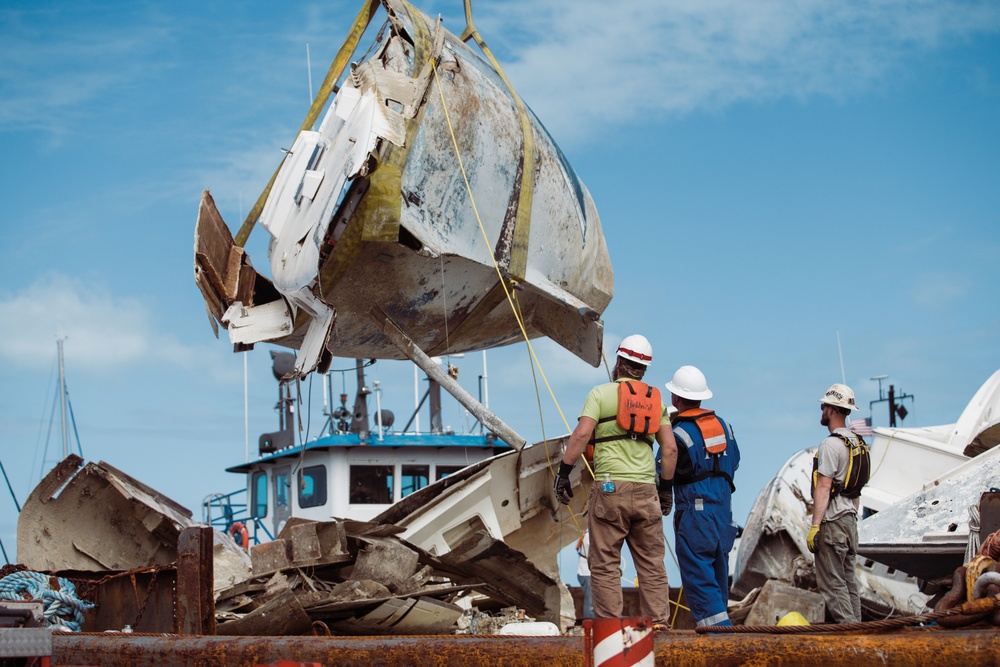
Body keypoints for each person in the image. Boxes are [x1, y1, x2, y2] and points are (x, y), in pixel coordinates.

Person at [553, 334, 678, 628]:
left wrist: (563, 472)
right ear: (644, 370)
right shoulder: (656, 402)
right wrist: (666, 490)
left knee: (606, 564)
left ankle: (610, 629)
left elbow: (581, 436)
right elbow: (670, 449)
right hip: (647, 491)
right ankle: (658, 626)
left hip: (610, 490)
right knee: (651, 565)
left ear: (619, 362)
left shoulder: (600, 394)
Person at [658, 365, 740, 627]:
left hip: (695, 517)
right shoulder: (725, 427)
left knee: (702, 588)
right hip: (724, 516)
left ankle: (721, 646)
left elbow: (661, 469)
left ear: (675, 397)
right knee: (717, 583)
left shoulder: (677, 434)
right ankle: (721, 637)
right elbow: (734, 462)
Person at [808, 383, 864, 623]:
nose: (822, 409)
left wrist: (815, 526)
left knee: (832, 583)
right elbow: (856, 489)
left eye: (823, 406)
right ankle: (860, 632)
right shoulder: (859, 444)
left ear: (831, 409)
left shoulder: (831, 445)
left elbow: (823, 487)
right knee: (849, 582)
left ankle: (851, 637)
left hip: (833, 522)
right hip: (850, 521)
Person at [576, 530, 594, 619]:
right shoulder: (590, 536)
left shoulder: (586, 534)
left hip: (585, 572)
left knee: (591, 600)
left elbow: (577, 547)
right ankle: (590, 623)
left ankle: (591, 622)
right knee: (590, 602)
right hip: (586, 573)